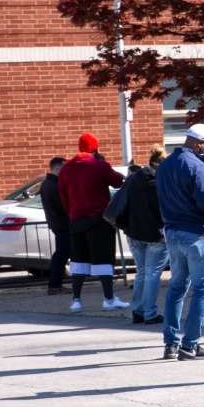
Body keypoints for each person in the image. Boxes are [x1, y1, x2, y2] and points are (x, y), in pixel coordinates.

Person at [156, 123, 204, 361]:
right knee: (202, 288)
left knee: (176, 287)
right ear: (199, 143)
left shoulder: (164, 166)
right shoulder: (198, 167)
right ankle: (190, 343)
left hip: (172, 232)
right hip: (197, 234)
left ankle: (171, 344)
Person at [56, 133, 128, 313]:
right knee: (103, 259)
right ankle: (109, 299)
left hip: (76, 219)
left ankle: (76, 300)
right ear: (95, 148)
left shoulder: (65, 169)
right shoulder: (99, 166)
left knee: (79, 261)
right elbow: (118, 181)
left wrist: (72, 213)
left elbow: (63, 196)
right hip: (99, 219)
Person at [120, 144, 168, 324]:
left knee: (142, 273)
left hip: (134, 232)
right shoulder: (161, 184)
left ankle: (138, 310)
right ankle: (150, 312)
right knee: (152, 274)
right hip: (156, 235)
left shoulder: (134, 179)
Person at [39, 156, 69, 295]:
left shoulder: (47, 183)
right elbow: (62, 205)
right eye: (64, 168)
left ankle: (56, 283)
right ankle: (55, 284)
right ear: (57, 168)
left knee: (62, 254)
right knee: (61, 254)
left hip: (58, 223)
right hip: (62, 224)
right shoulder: (53, 185)